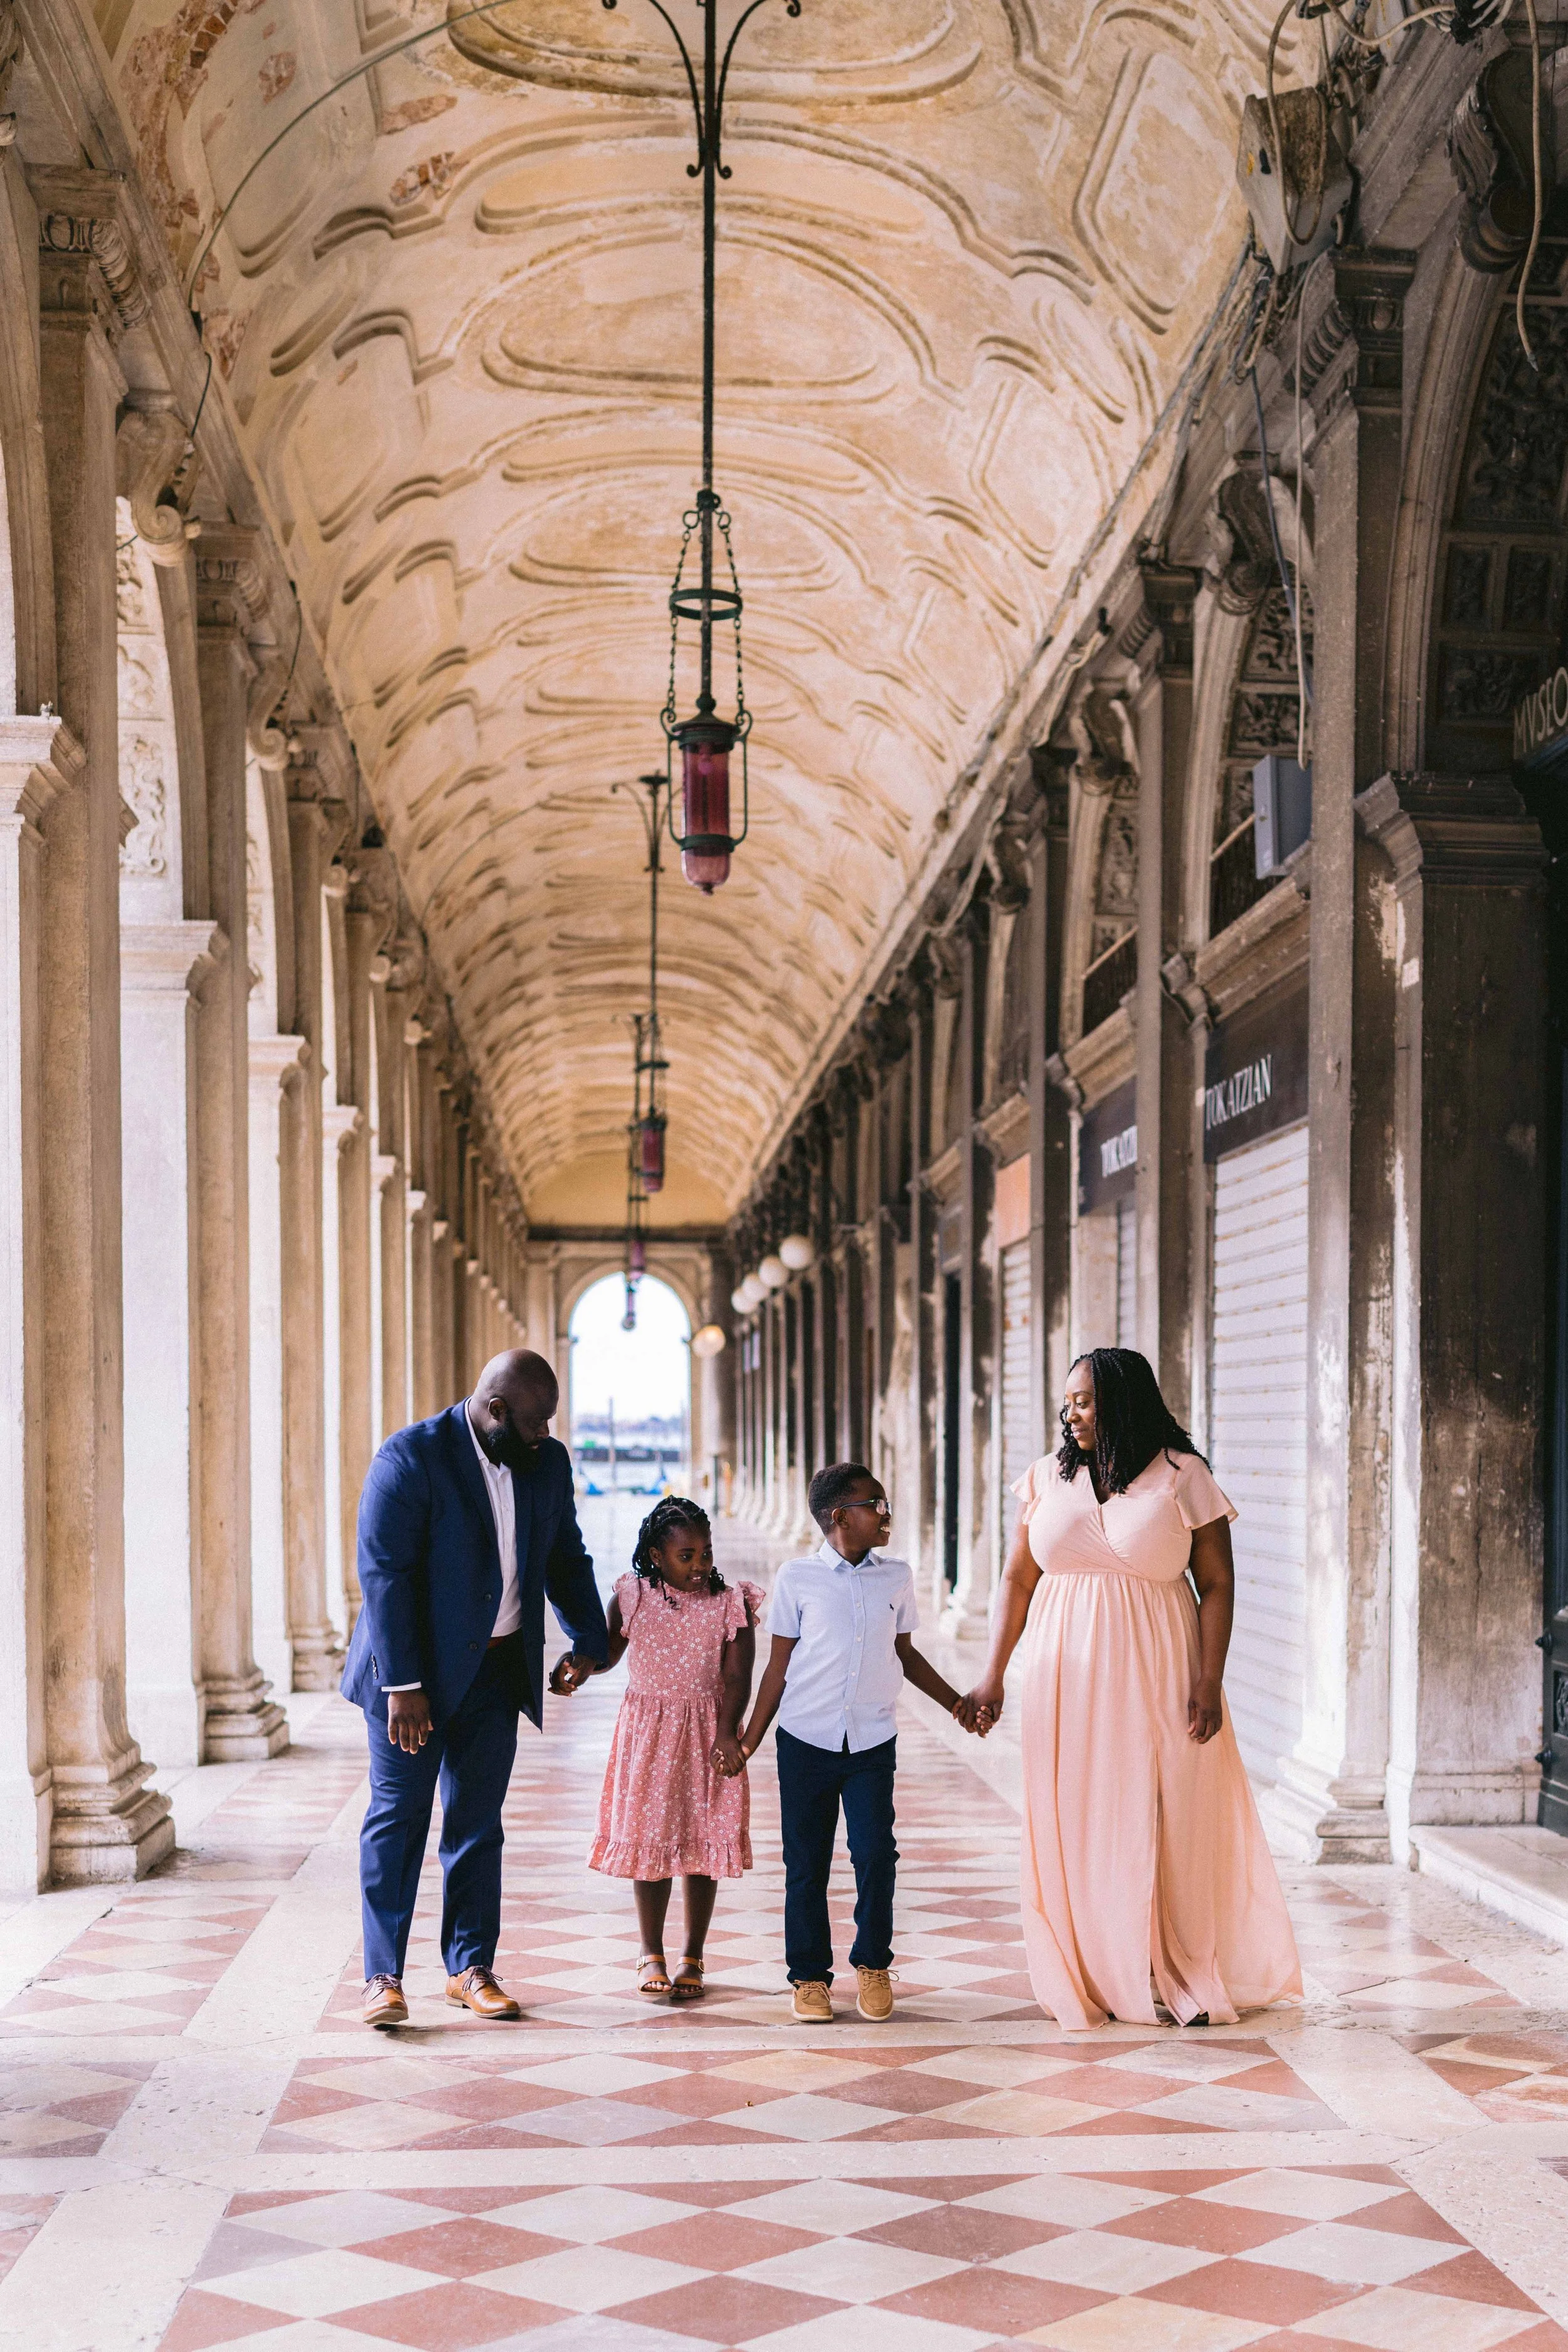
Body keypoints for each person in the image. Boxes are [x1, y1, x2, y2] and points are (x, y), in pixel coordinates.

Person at [957, 1348, 1302, 2032]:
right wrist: (992, 1673)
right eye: (1069, 1401)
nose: (1071, 1412)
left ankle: (1180, 1969)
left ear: (1123, 1400)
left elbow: (1219, 1585)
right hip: (1065, 1677)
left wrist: (1210, 1677)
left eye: (1084, 1400)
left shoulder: (1182, 1476)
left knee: (1169, 1811)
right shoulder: (1046, 1478)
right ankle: (1098, 1968)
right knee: (1081, 1813)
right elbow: (1016, 1581)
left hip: (1162, 1666)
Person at [342, 1348, 609, 2028]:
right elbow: (384, 1576)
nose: (544, 1435)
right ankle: (382, 1977)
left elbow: (564, 1554)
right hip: (414, 1682)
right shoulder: (409, 1458)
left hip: (496, 1673)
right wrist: (403, 1684)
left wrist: (588, 1642)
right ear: (494, 1411)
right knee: (398, 1822)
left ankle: (469, 1967)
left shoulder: (545, 1464)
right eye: (532, 1423)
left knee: (476, 1825)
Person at [734, 1462, 979, 2024]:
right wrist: (749, 1743)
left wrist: (957, 1705)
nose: (886, 1513)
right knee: (807, 1864)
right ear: (840, 1516)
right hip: (805, 1741)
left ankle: (872, 1964)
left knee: (874, 1855)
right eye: (876, 1504)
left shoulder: (895, 1577)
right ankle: (810, 1978)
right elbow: (777, 1670)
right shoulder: (797, 1578)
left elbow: (907, 1655)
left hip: (871, 1741)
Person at [588, 1497, 763, 2001]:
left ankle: (693, 1953)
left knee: (703, 1844)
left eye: (706, 1553)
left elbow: (738, 1675)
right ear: (656, 1556)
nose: (700, 1565)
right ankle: (650, 1951)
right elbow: (607, 1653)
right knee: (650, 1843)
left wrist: (728, 1733)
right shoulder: (632, 1597)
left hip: (708, 1733)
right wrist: (580, 1665)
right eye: (686, 1556)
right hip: (649, 1736)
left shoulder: (732, 1603)